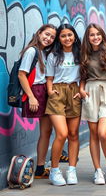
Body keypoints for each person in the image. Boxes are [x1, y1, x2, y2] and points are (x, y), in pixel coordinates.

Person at [80, 23, 106, 185]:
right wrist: (82, 89)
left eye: (98, 34)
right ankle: (97, 170)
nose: (95, 37)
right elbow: (82, 76)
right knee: (93, 134)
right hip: (90, 91)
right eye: (91, 35)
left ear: (102, 35)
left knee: (103, 133)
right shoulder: (84, 53)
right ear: (87, 37)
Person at [18, 24, 56, 179]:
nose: (48, 38)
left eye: (52, 37)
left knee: (46, 131)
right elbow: (22, 75)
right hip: (36, 91)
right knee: (46, 132)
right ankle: (42, 166)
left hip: (44, 91)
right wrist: (32, 96)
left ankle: (40, 168)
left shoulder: (43, 52)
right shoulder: (32, 51)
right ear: (39, 33)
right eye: (46, 34)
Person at [45, 24, 81, 186]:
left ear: (74, 36)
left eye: (70, 35)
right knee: (62, 133)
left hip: (74, 92)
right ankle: (54, 170)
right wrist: (50, 92)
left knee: (73, 134)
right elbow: (49, 78)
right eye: (63, 36)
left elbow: (85, 75)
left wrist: (81, 90)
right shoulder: (53, 55)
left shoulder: (80, 54)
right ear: (59, 38)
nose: (67, 38)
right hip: (58, 93)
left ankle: (72, 170)